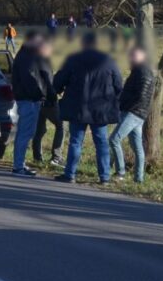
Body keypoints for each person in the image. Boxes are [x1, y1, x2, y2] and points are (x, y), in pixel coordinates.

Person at [53, 32, 123, 184]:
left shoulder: (72, 59)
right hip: (100, 109)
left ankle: (70, 174)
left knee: (75, 141)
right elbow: (118, 85)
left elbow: (58, 81)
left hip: (78, 108)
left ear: (82, 44)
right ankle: (104, 177)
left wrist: (57, 90)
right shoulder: (108, 60)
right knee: (101, 142)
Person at [111, 46, 154, 182]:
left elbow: (140, 96)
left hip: (133, 113)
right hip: (137, 113)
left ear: (142, 57)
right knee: (137, 147)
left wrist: (125, 106)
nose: (130, 58)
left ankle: (120, 173)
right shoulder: (137, 71)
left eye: (134, 56)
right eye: (130, 55)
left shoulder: (143, 72)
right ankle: (139, 178)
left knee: (114, 139)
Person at [9, 32, 47, 177]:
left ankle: (20, 164)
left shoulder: (23, 56)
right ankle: (18, 166)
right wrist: (40, 94)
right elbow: (31, 80)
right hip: (29, 100)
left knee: (25, 133)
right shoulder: (27, 58)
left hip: (26, 99)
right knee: (25, 133)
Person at [31, 37, 65, 168]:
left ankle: (37, 156)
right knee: (61, 125)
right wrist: (53, 96)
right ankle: (57, 156)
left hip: (36, 100)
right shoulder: (44, 62)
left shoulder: (32, 60)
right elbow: (49, 81)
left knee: (39, 130)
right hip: (47, 100)